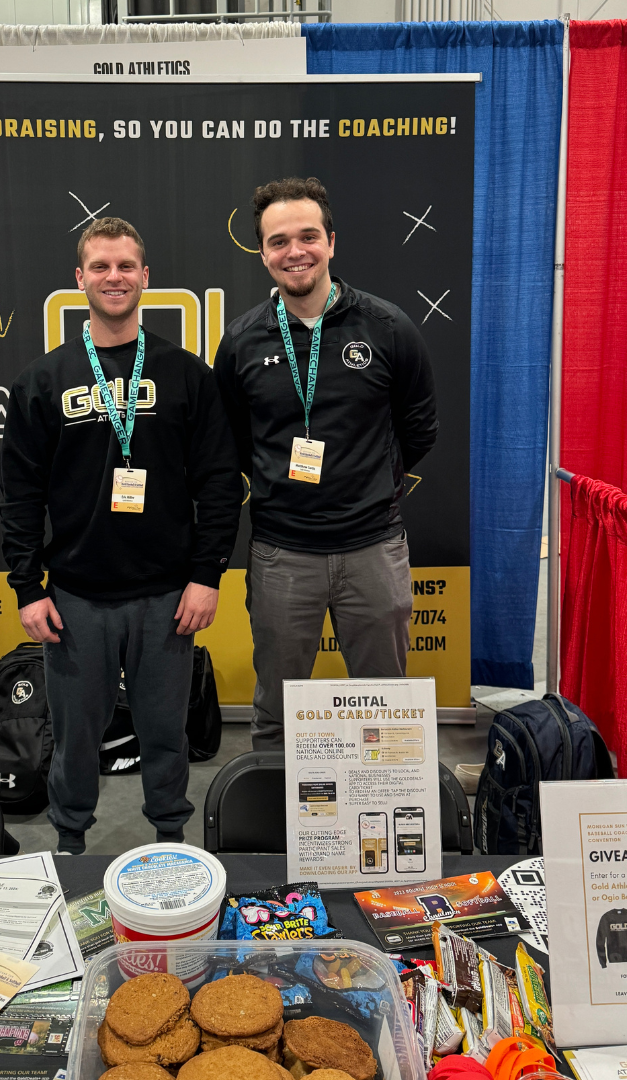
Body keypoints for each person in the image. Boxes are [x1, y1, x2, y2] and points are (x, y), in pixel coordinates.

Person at [0, 217, 241, 854]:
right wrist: (28, 587)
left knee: (166, 732)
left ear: (145, 277)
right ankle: (70, 845)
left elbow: (219, 483)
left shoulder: (186, 374)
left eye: (126, 266)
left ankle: (171, 840)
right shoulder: (42, 380)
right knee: (76, 737)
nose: (115, 277)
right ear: (80, 278)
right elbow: (19, 495)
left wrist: (206, 576)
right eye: (101, 267)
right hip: (76, 597)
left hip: (167, 595)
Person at [214, 176, 438, 751]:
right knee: (277, 715)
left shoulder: (388, 329)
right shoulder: (240, 342)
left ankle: (380, 832)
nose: (296, 252)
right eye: (279, 241)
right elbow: (236, 442)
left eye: (308, 236)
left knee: (384, 712)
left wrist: (369, 482)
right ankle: (274, 834)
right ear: (263, 253)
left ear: (331, 242)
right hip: (282, 554)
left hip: (374, 549)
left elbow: (418, 429)